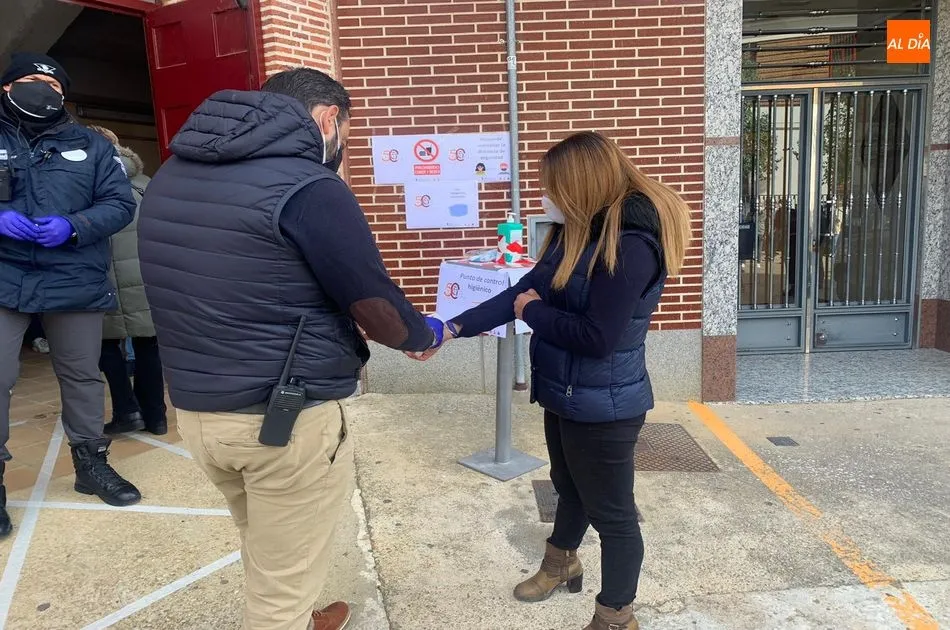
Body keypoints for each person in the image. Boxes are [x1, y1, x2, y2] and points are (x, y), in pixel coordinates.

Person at [137, 68, 445, 630]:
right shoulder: (310, 187)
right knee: (280, 583)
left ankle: (300, 615)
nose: (343, 144)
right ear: (328, 118)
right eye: (345, 131)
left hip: (199, 410)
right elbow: (371, 300)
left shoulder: (171, 175)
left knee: (267, 543)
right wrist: (421, 336)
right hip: (282, 418)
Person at [410, 131, 692, 630]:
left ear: (581, 186)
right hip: (563, 391)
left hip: (606, 405)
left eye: (552, 187)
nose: (545, 197)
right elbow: (523, 290)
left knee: (614, 516)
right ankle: (561, 563)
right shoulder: (573, 232)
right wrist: (451, 329)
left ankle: (616, 616)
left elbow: (597, 338)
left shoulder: (630, 246)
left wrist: (533, 313)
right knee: (568, 486)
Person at [0, 52, 141, 537]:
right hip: (5, 276)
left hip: (74, 274)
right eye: (31, 80)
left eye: (55, 86)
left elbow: (119, 204)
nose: (44, 90)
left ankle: (90, 464)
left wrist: (74, 225)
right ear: (6, 87)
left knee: (82, 375)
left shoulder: (92, 145)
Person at [87, 125, 167, 436]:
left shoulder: (85, 185)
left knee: (105, 345)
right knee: (149, 344)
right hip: (145, 275)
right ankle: (156, 416)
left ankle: (127, 410)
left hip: (102, 275)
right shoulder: (145, 183)